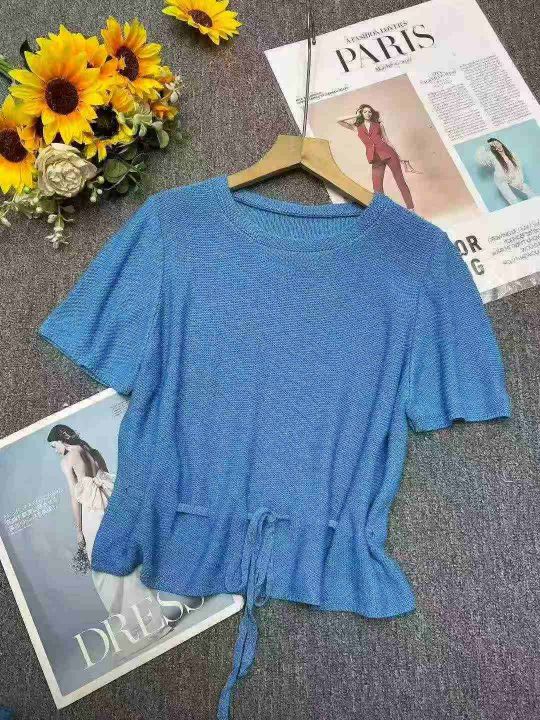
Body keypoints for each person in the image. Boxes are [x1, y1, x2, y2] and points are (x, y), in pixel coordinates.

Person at [47, 424, 171, 648]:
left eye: (54, 445)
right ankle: (153, 621)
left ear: (61, 439)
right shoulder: (93, 452)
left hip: (93, 515)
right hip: (111, 508)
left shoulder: (67, 460)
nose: (55, 450)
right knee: (125, 563)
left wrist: (78, 530)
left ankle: (137, 625)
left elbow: (75, 498)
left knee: (105, 572)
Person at [338, 103, 415, 210]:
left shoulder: (379, 125)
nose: (368, 113)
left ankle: (411, 208)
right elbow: (339, 120)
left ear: (372, 113)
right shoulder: (356, 127)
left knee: (400, 181)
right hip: (375, 158)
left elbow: (387, 140)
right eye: (365, 112)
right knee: (377, 188)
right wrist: (356, 115)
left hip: (389, 154)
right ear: (361, 113)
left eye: (370, 112)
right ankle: (383, 211)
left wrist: (400, 156)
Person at [475, 137, 537, 206]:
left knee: (526, 189)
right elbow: (481, 160)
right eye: (494, 146)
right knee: (512, 198)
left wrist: (519, 180)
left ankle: (536, 203)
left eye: (497, 144)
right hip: (500, 179)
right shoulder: (492, 156)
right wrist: (485, 147)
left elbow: (518, 168)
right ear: (493, 149)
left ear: (500, 143)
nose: (497, 147)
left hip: (511, 176)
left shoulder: (512, 155)